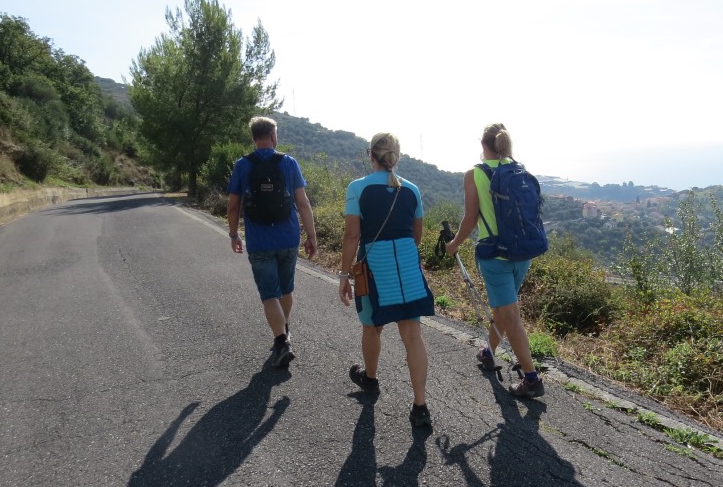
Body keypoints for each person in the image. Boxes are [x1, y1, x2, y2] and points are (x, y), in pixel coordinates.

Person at [338, 133, 435, 428]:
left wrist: (344, 275)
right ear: (397, 155)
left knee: (372, 326)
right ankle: (420, 406)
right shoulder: (412, 190)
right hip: (407, 268)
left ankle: (370, 379)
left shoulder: (358, 188)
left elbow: (352, 235)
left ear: (370, 154)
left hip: (374, 268)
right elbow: (416, 236)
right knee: (413, 335)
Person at [444, 122, 545, 397]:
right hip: (523, 253)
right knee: (503, 308)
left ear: (483, 145)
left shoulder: (474, 174)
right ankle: (488, 352)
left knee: (510, 316)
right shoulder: (519, 169)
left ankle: (531, 379)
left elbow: (470, 219)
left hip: (495, 256)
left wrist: (453, 245)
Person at [228, 116, 317, 367]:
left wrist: (234, 234)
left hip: (259, 241)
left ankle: (281, 341)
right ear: (273, 135)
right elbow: (303, 203)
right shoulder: (289, 162)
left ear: (254, 137)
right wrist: (311, 236)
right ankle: (283, 333)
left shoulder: (242, 165)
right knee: (286, 290)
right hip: (288, 237)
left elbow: (233, 205)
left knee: (270, 294)